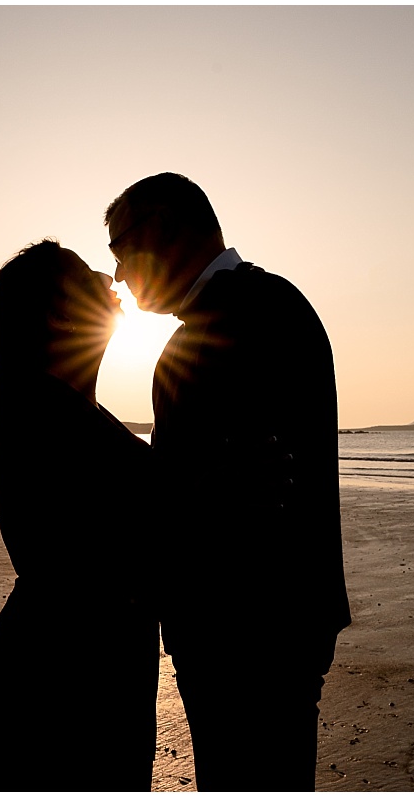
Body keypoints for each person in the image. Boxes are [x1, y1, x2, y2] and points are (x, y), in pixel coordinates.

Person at [104, 173, 352, 791]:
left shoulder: (250, 314)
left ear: (161, 227)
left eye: (119, 249)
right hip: (254, 622)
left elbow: (242, 489)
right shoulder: (254, 309)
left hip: (251, 629)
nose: (115, 275)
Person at [0, 239, 159, 792]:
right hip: (68, 675)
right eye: (89, 278)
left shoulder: (61, 409)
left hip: (76, 657)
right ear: (61, 315)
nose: (111, 281)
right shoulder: (45, 415)